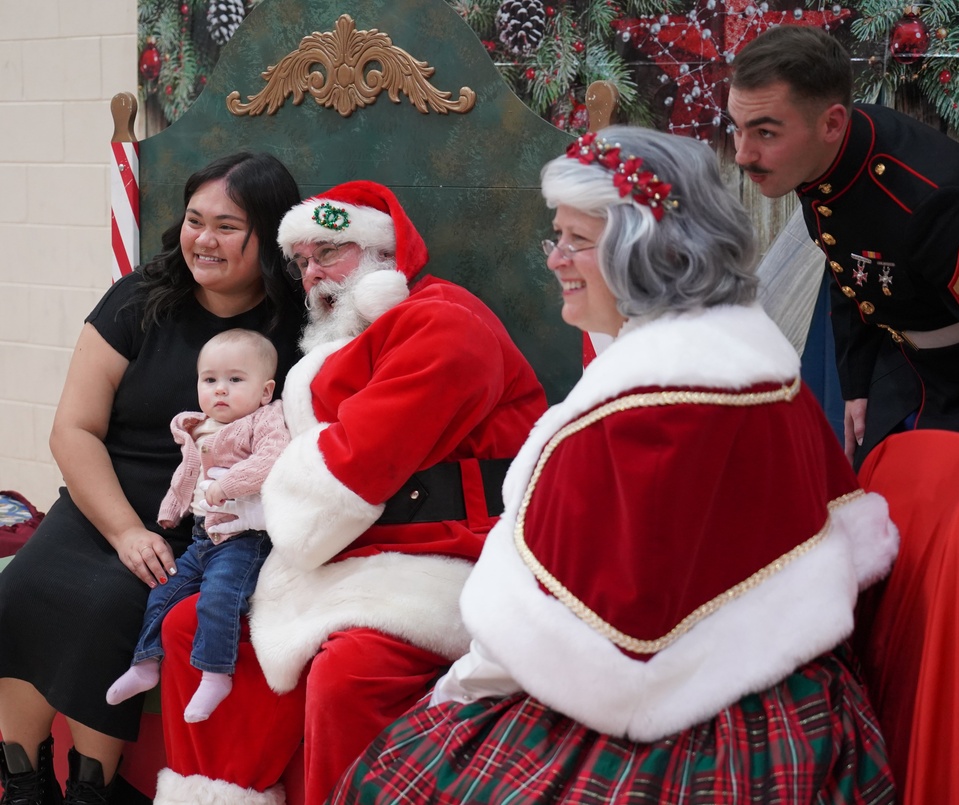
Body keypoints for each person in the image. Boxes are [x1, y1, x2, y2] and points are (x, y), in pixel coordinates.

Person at [329, 126, 900, 804]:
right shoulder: (757, 360)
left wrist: (450, 699)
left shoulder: (635, 411)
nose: (555, 259)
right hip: (798, 698)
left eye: (575, 240)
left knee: (398, 781)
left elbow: (542, 640)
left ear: (644, 249)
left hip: (673, 721)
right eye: (556, 236)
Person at [154, 180, 549, 805]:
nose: (313, 274)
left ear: (381, 255)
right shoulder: (338, 344)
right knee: (184, 625)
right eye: (303, 261)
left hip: (441, 557)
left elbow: (355, 464)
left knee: (350, 671)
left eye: (329, 253)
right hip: (342, 553)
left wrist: (258, 495)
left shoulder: (443, 321)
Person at [0, 152, 303, 805]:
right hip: (103, 502)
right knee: (20, 587)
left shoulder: (295, 327)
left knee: (109, 603)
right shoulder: (140, 298)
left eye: (227, 226)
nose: (203, 239)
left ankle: (91, 789)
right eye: (195, 220)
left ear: (270, 236)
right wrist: (121, 530)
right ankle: (23, 781)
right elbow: (73, 429)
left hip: (208, 523)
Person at [728, 25, 959, 469]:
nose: (742, 154)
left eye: (765, 133)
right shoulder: (817, 152)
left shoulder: (934, 199)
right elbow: (852, 264)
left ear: (832, 123)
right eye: (736, 128)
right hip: (898, 366)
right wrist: (856, 387)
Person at [106, 329, 290, 724]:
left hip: (246, 538)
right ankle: (145, 664)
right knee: (164, 590)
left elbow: (273, 460)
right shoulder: (198, 428)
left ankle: (215, 672)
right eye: (210, 380)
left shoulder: (266, 418)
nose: (220, 389)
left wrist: (227, 484)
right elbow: (185, 476)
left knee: (219, 596)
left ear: (264, 390)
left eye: (235, 380)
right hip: (202, 537)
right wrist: (171, 510)